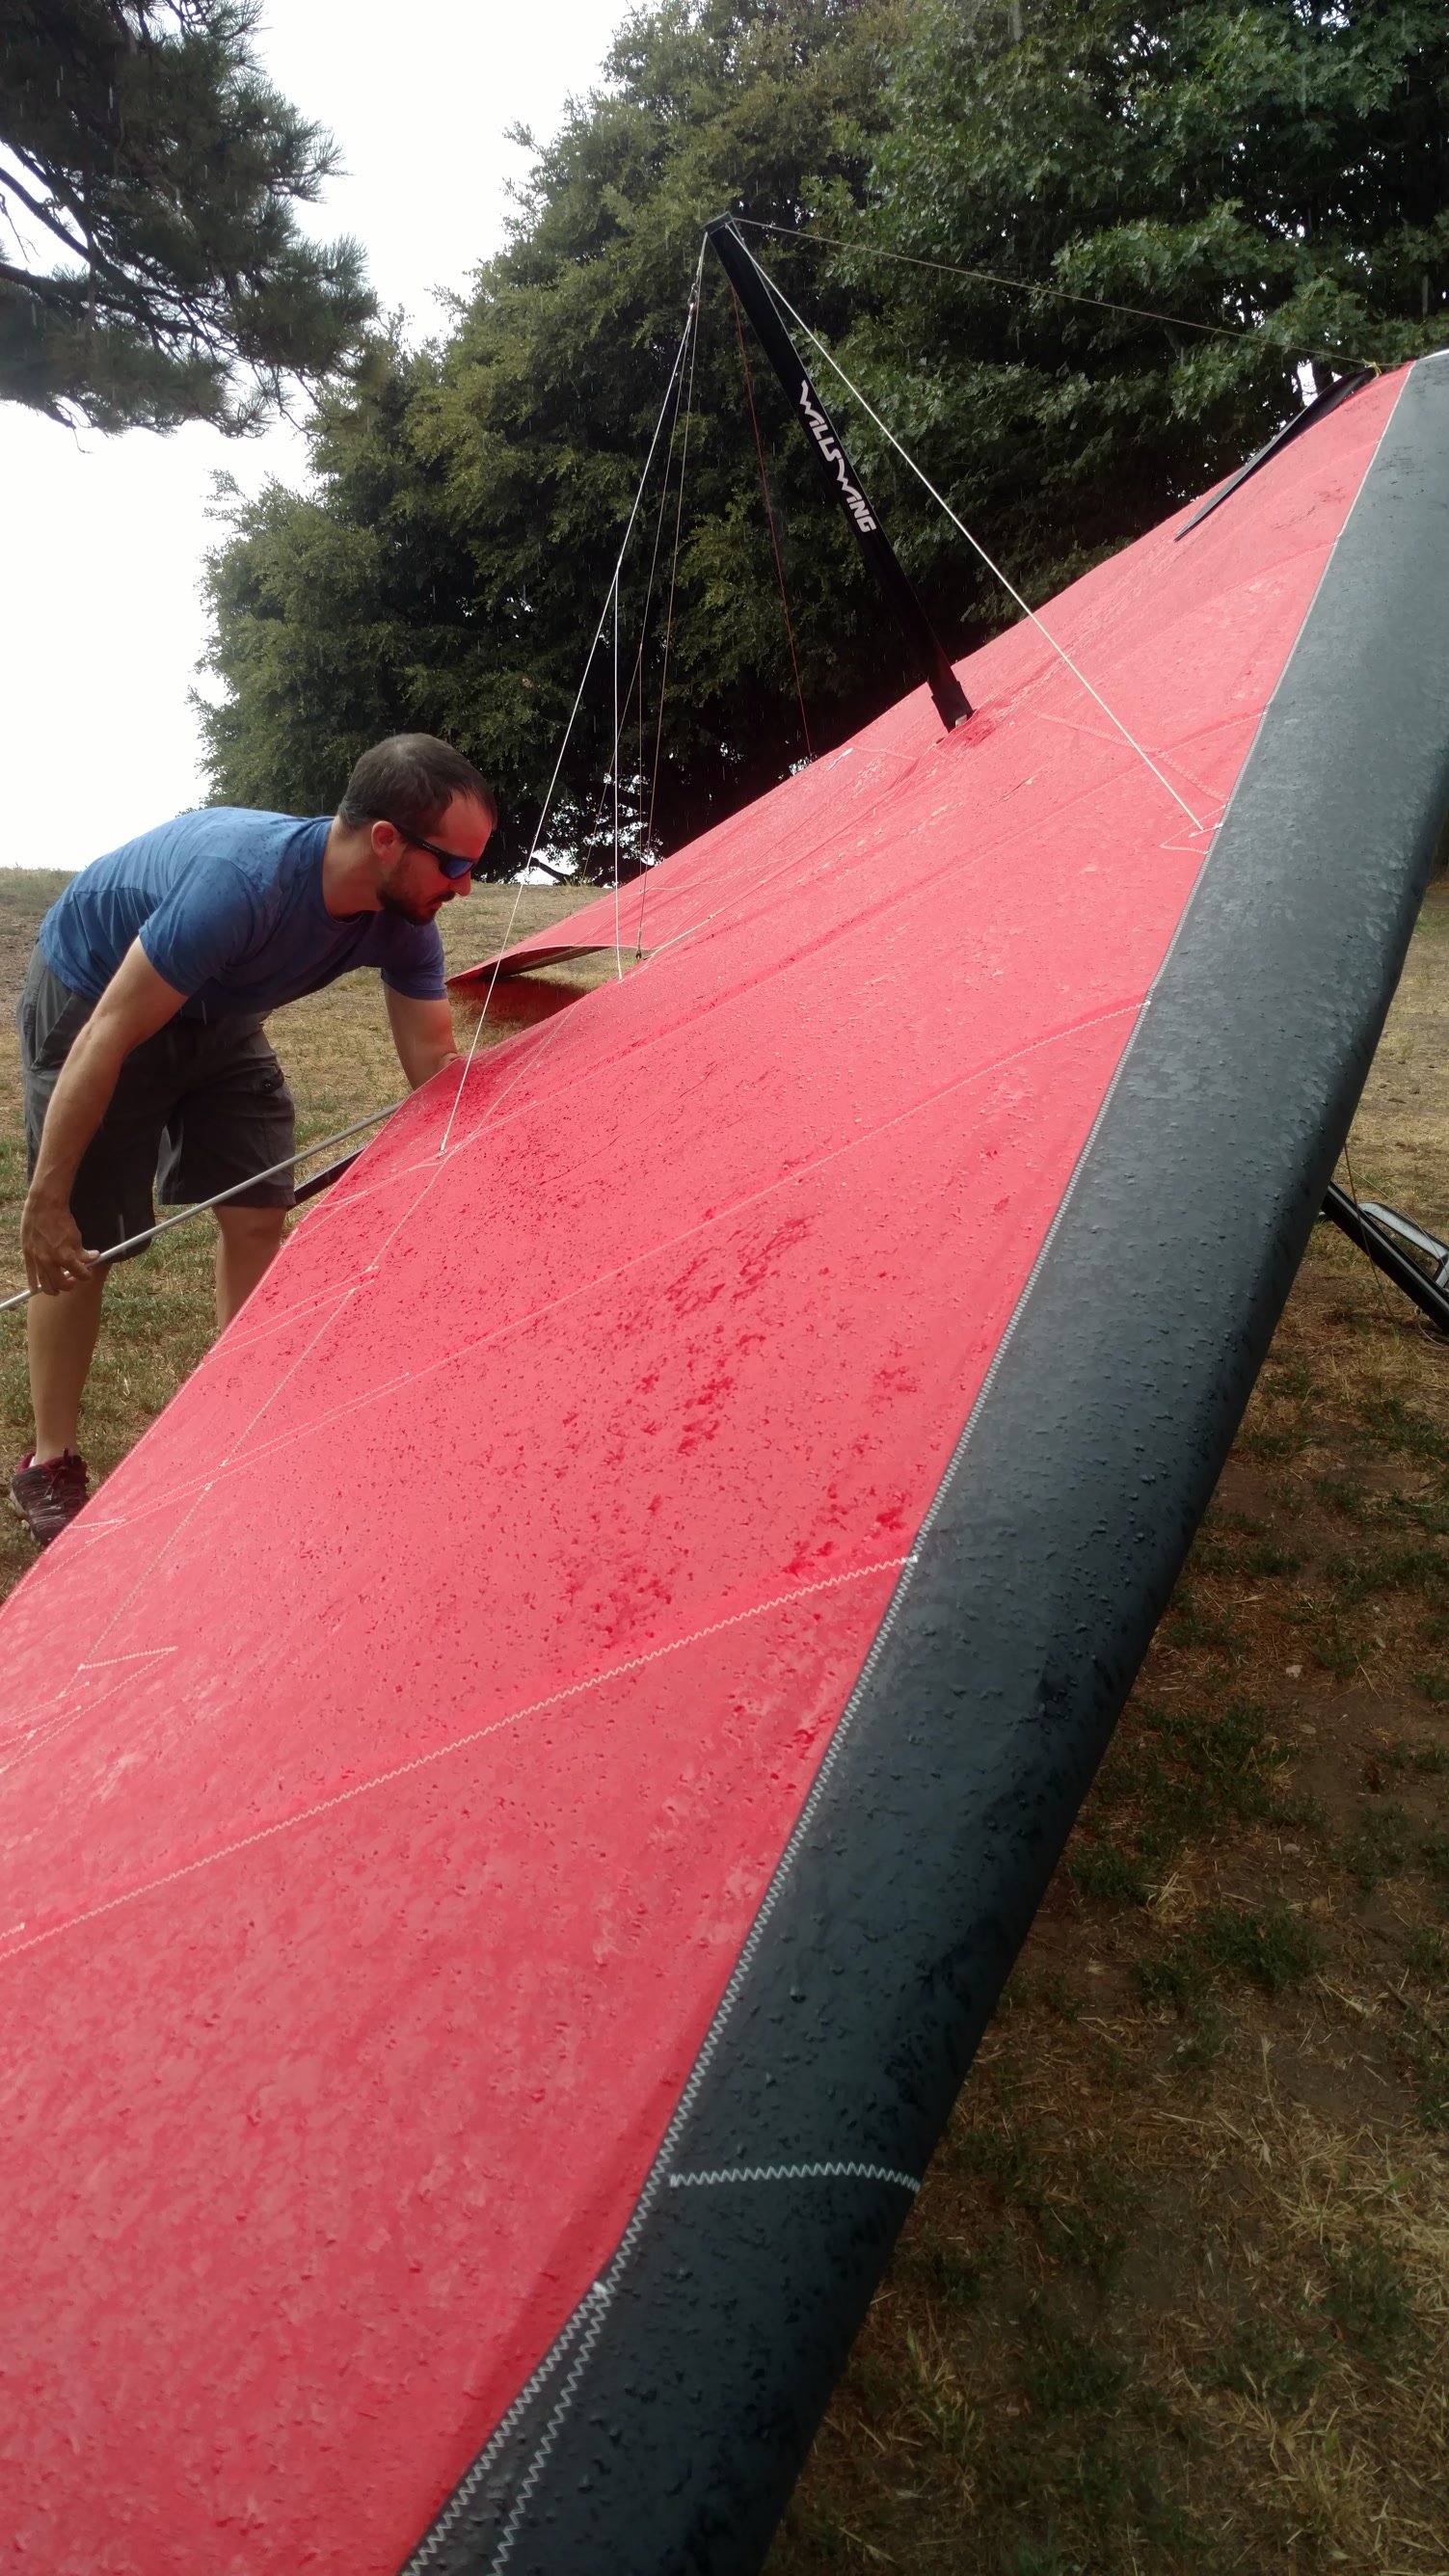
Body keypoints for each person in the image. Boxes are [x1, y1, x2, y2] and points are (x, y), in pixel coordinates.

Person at [11, 732, 495, 1547]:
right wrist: (45, 1199)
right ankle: (48, 1461)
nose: (466, 886)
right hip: (94, 994)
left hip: (219, 1008)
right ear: (385, 839)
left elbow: (433, 1067)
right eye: (453, 864)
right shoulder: (240, 884)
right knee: (79, 1244)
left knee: (259, 1205)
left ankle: (239, 1419)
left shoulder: (404, 919)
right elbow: (108, 1033)